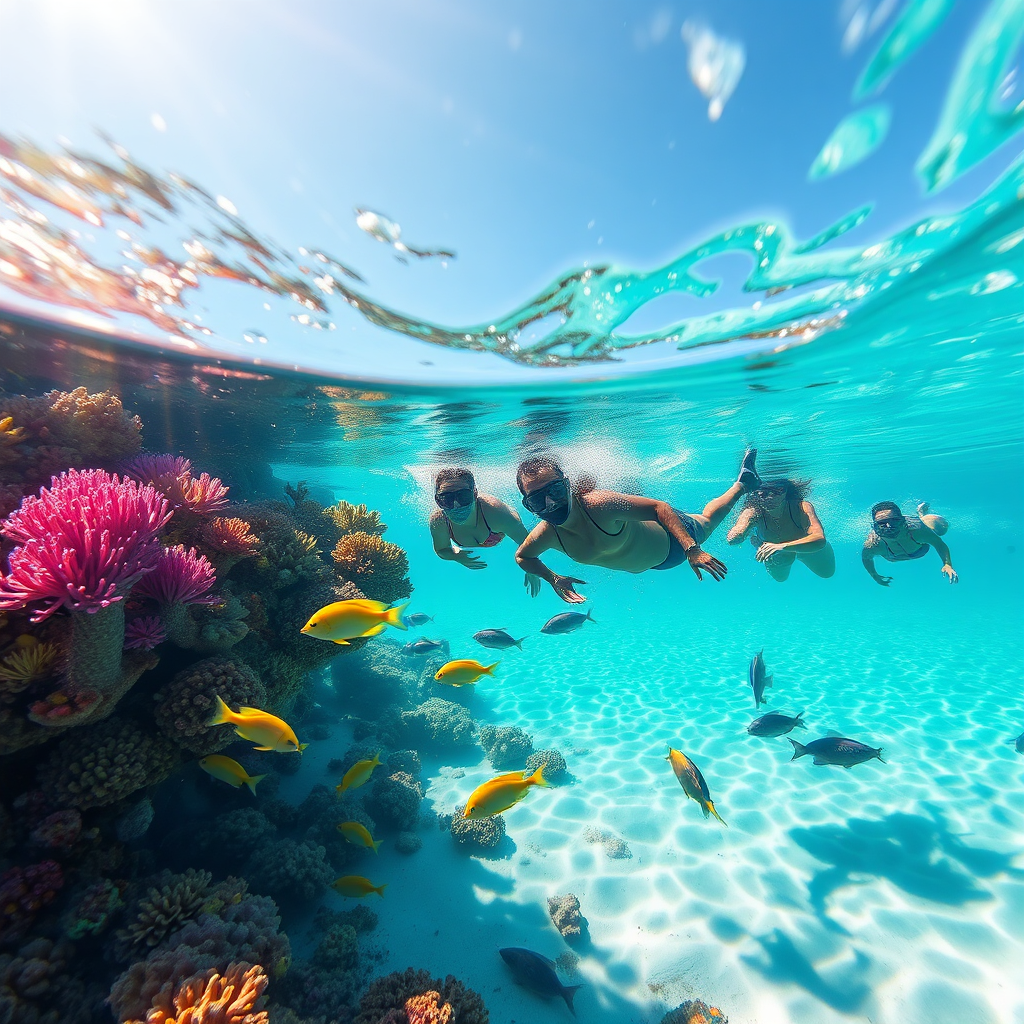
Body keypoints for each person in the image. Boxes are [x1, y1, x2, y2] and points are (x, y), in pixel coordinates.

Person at [513, 450, 761, 603]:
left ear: (566, 485)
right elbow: (523, 556)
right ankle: (630, 494)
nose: (550, 503)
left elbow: (659, 507)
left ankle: (743, 484)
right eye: (536, 499)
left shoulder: (598, 504)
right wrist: (553, 578)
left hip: (673, 541)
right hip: (652, 562)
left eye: (555, 490)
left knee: (707, 520)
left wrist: (691, 549)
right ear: (527, 505)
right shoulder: (546, 534)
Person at [429, 467, 541, 596]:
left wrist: (532, 568)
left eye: (463, 496)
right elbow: (442, 549)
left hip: (494, 522)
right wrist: (456, 556)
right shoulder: (439, 520)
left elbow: (529, 544)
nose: (456, 505)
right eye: (446, 498)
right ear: (437, 500)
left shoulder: (498, 515)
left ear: (475, 494)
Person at [726, 478, 835, 582]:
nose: (769, 497)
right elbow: (736, 533)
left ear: (786, 491)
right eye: (763, 492)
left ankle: (793, 553)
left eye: (776, 490)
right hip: (777, 553)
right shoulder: (752, 511)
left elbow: (819, 539)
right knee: (780, 578)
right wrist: (738, 534)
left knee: (827, 573)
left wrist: (781, 546)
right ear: (756, 493)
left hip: (806, 548)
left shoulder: (801, 506)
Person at [861, 500, 957, 586]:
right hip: (893, 556)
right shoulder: (873, 544)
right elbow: (866, 557)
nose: (888, 527)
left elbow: (939, 544)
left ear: (902, 521)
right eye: (882, 523)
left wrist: (947, 564)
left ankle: (922, 514)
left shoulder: (918, 530)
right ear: (875, 526)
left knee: (941, 528)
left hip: (920, 549)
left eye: (893, 521)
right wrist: (874, 575)